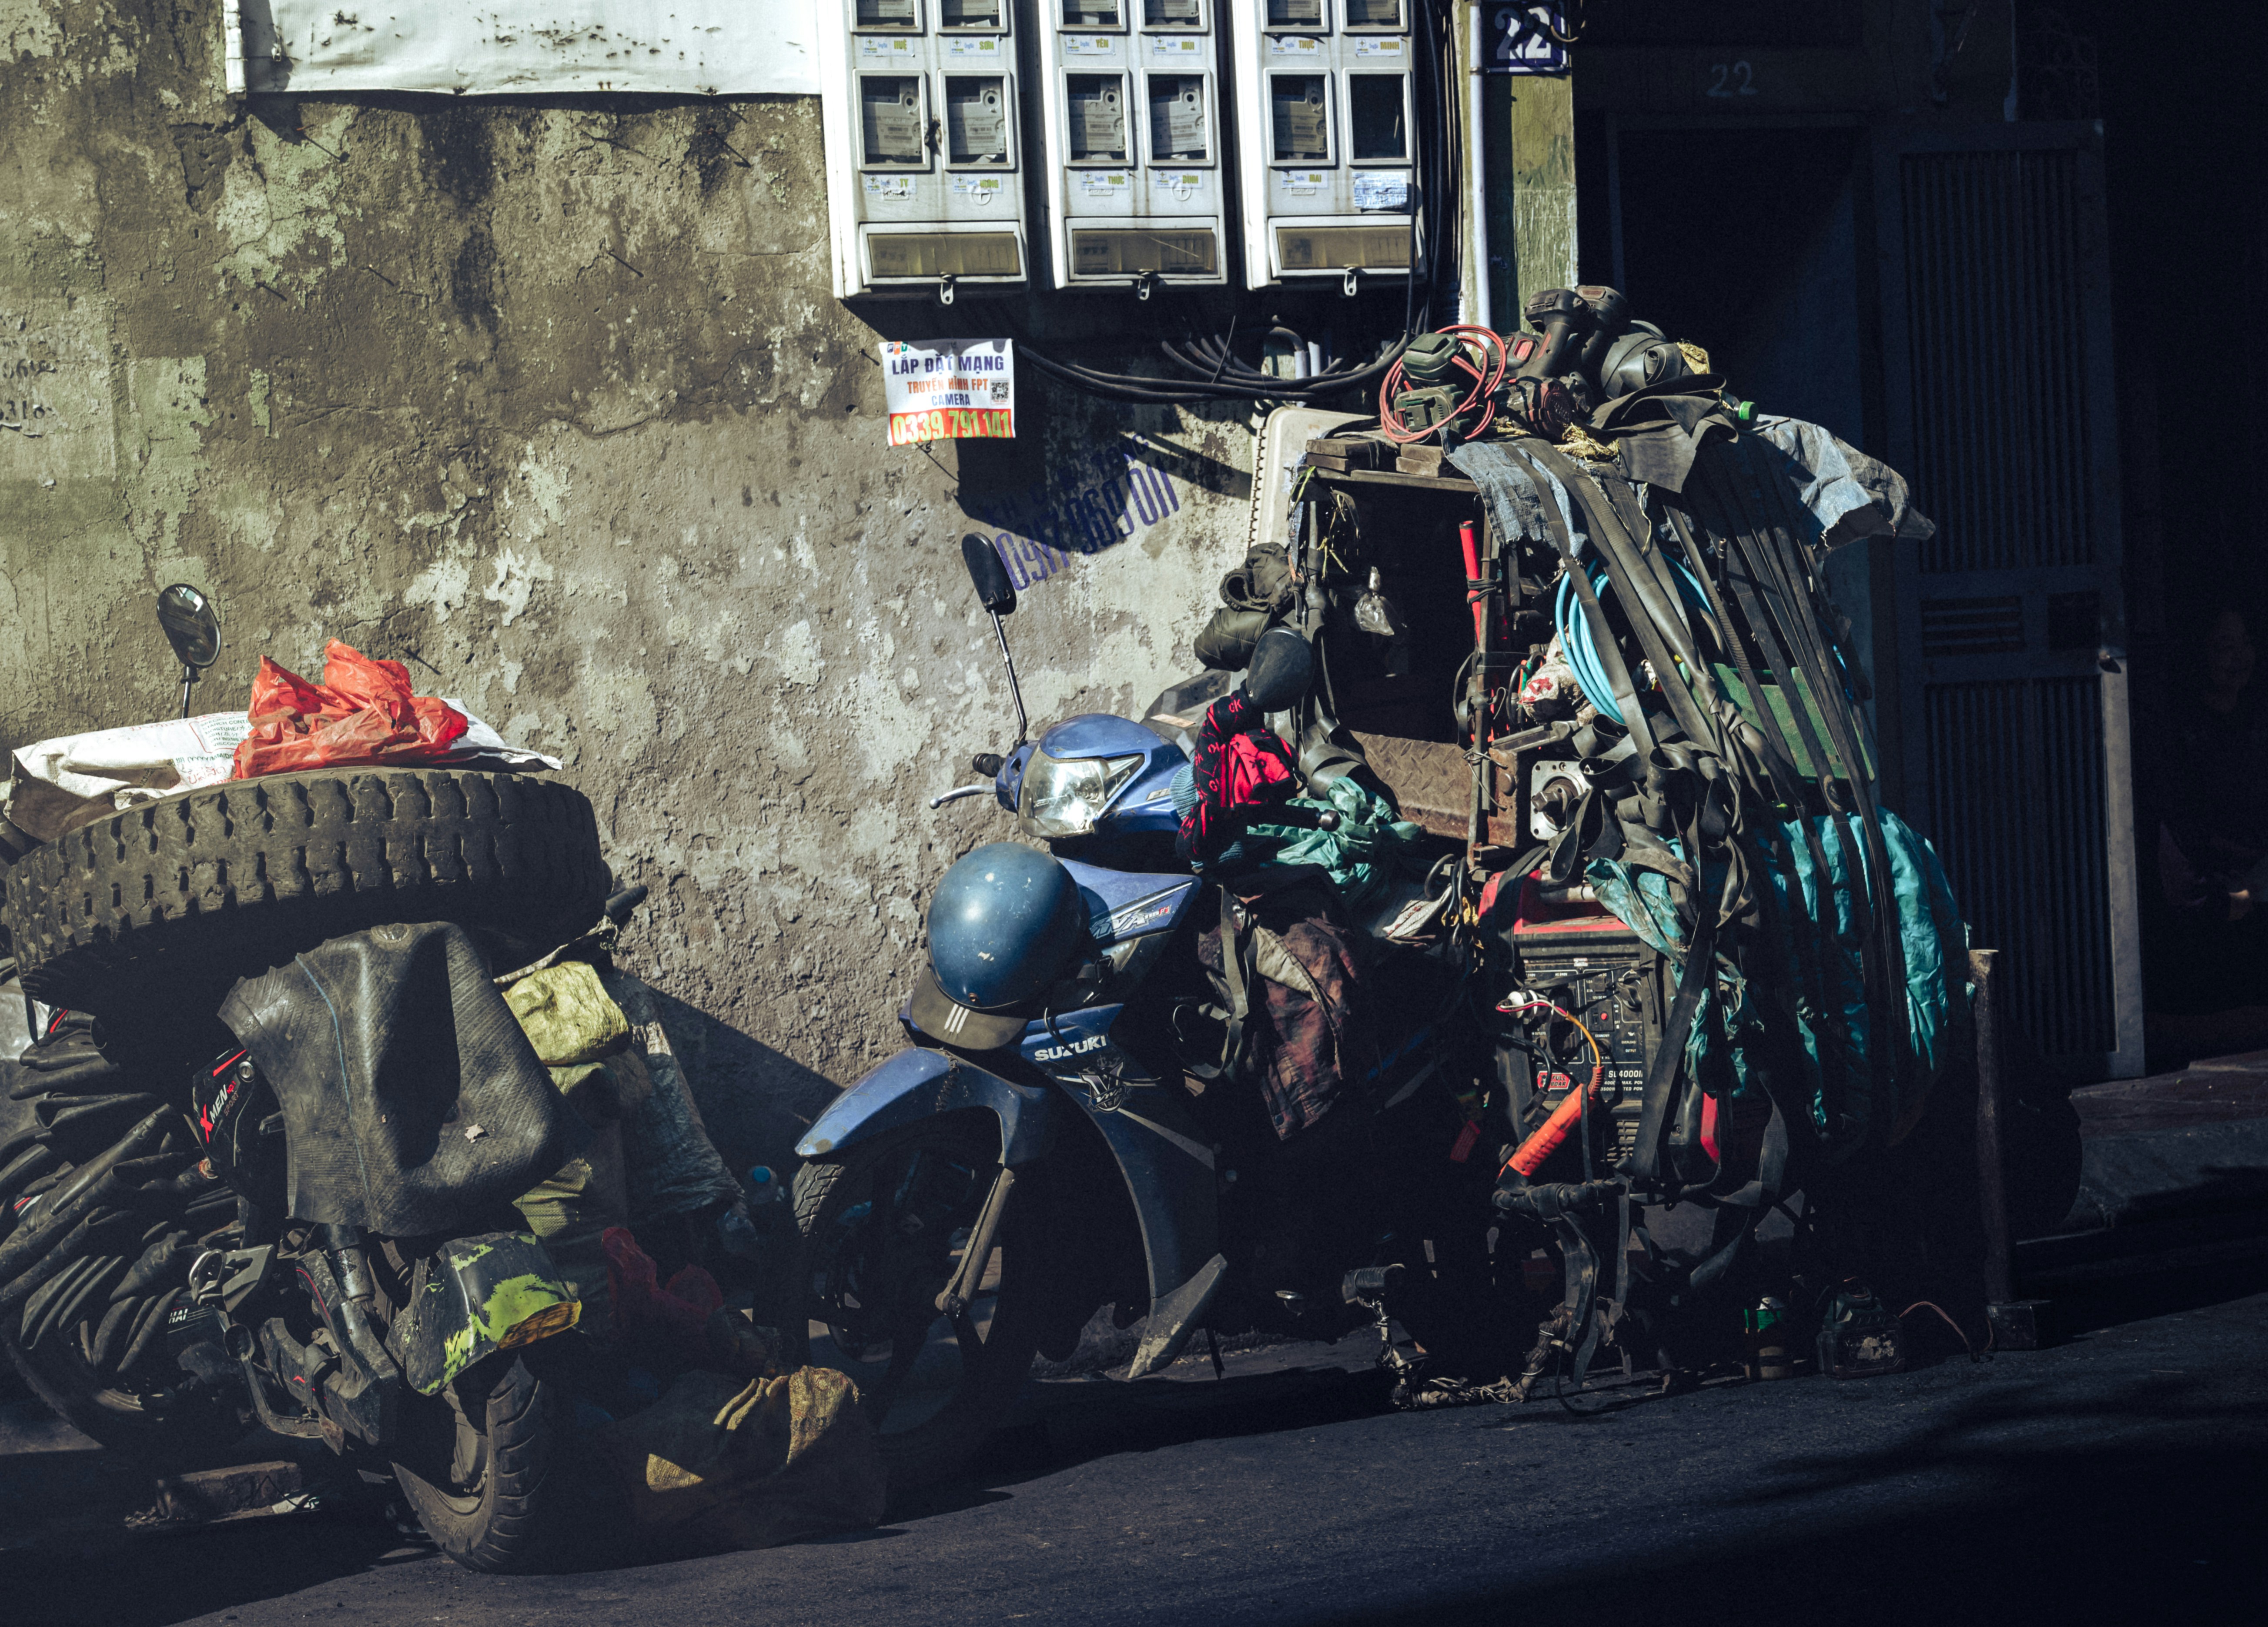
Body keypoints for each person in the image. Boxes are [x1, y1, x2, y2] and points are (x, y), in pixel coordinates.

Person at [2143, 607, 2268, 1055]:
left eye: (2246, 643)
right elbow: (2179, 831)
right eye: (2224, 646)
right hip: (2209, 903)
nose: (2239, 657)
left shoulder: (2255, 720)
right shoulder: (2179, 732)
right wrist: (2225, 900)